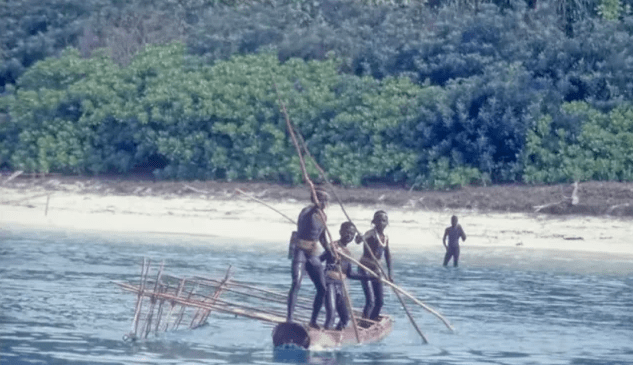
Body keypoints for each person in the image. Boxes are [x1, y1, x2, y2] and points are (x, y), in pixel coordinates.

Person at [286, 187, 331, 329]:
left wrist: (331, 250)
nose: (323, 202)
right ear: (315, 200)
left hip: (312, 254)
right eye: (320, 199)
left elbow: (322, 238)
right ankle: (289, 318)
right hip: (300, 251)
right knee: (296, 283)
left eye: (325, 200)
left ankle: (313, 320)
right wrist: (314, 206)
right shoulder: (306, 212)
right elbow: (306, 220)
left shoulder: (323, 216)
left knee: (322, 289)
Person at [319, 221, 365, 330]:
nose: (349, 236)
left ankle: (336, 336)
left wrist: (371, 277)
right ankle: (325, 337)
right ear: (340, 232)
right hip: (329, 284)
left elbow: (350, 274)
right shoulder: (332, 247)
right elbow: (319, 260)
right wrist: (331, 263)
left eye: (352, 234)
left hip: (339, 286)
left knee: (345, 318)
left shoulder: (347, 253)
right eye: (347, 232)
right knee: (331, 314)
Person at [355, 210, 392, 321]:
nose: (381, 222)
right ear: (374, 222)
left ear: (387, 223)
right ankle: (364, 322)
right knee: (370, 300)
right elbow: (358, 241)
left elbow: (387, 256)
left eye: (384, 220)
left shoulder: (385, 237)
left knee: (380, 301)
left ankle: (372, 319)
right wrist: (359, 237)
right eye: (378, 220)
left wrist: (390, 274)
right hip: (365, 268)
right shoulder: (370, 233)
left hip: (377, 270)